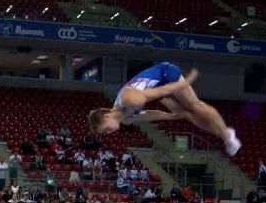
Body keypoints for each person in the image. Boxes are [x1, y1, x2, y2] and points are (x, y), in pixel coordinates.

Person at [88, 63, 241, 157]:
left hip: (165, 75)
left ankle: (228, 135)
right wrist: (173, 116)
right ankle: (225, 135)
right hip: (158, 92)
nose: (109, 133)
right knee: (187, 114)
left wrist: (184, 83)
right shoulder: (126, 119)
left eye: (106, 130)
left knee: (195, 105)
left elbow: (158, 92)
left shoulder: (128, 100)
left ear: (107, 116)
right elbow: (151, 115)